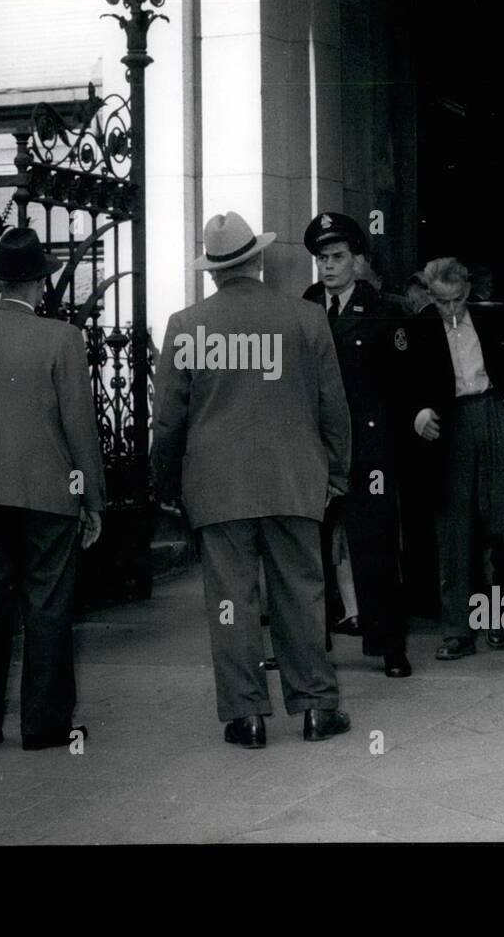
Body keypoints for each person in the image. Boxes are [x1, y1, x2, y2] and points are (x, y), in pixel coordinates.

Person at [152, 211, 353, 748]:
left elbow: (168, 418)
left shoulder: (186, 325)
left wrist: (166, 485)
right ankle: (314, 707)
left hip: (218, 486)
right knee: (301, 593)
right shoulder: (306, 319)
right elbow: (333, 404)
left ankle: (246, 717)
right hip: (293, 478)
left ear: (212, 272)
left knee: (230, 600)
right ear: (258, 260)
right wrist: (337, 470)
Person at [0, 227, 104, 754]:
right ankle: (44, 726)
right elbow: (80, 426)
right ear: (38, 284)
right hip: (47, 491)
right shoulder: (62, 338)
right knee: (47, 605)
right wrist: (92, 498)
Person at [301, 211, 412, 678]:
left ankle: (389, 646)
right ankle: (308, 647)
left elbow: (401, 386)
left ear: (358, 260)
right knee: (308, 553)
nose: (329, 267)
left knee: (376, 549)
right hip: (316, 451)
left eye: (338, 257)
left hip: (369, 451)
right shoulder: (305, 307)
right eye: (322, 259)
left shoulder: (385, 309)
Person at [410, 256, 504, 659]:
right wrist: (419, 413)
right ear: (430, 296)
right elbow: (401, 380)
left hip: (494, 413)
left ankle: (500, 618)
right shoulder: (419, 328)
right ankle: (457, 632)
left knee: (502, 522)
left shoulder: (495, 316)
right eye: (443, 301)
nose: (451, 310)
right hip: (450, 425)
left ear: (468, 290)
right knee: (454, 531)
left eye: (458, 300)